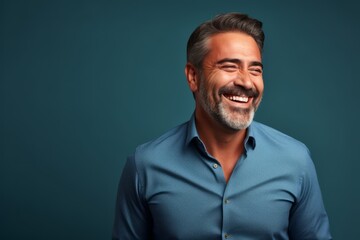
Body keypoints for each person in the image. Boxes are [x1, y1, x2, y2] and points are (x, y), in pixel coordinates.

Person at [112, 13, 332, 239]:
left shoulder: (296, 161)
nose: (246, 82)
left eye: (255, 70)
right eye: (229, 66)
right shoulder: (145, 166)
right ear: (193, 77)